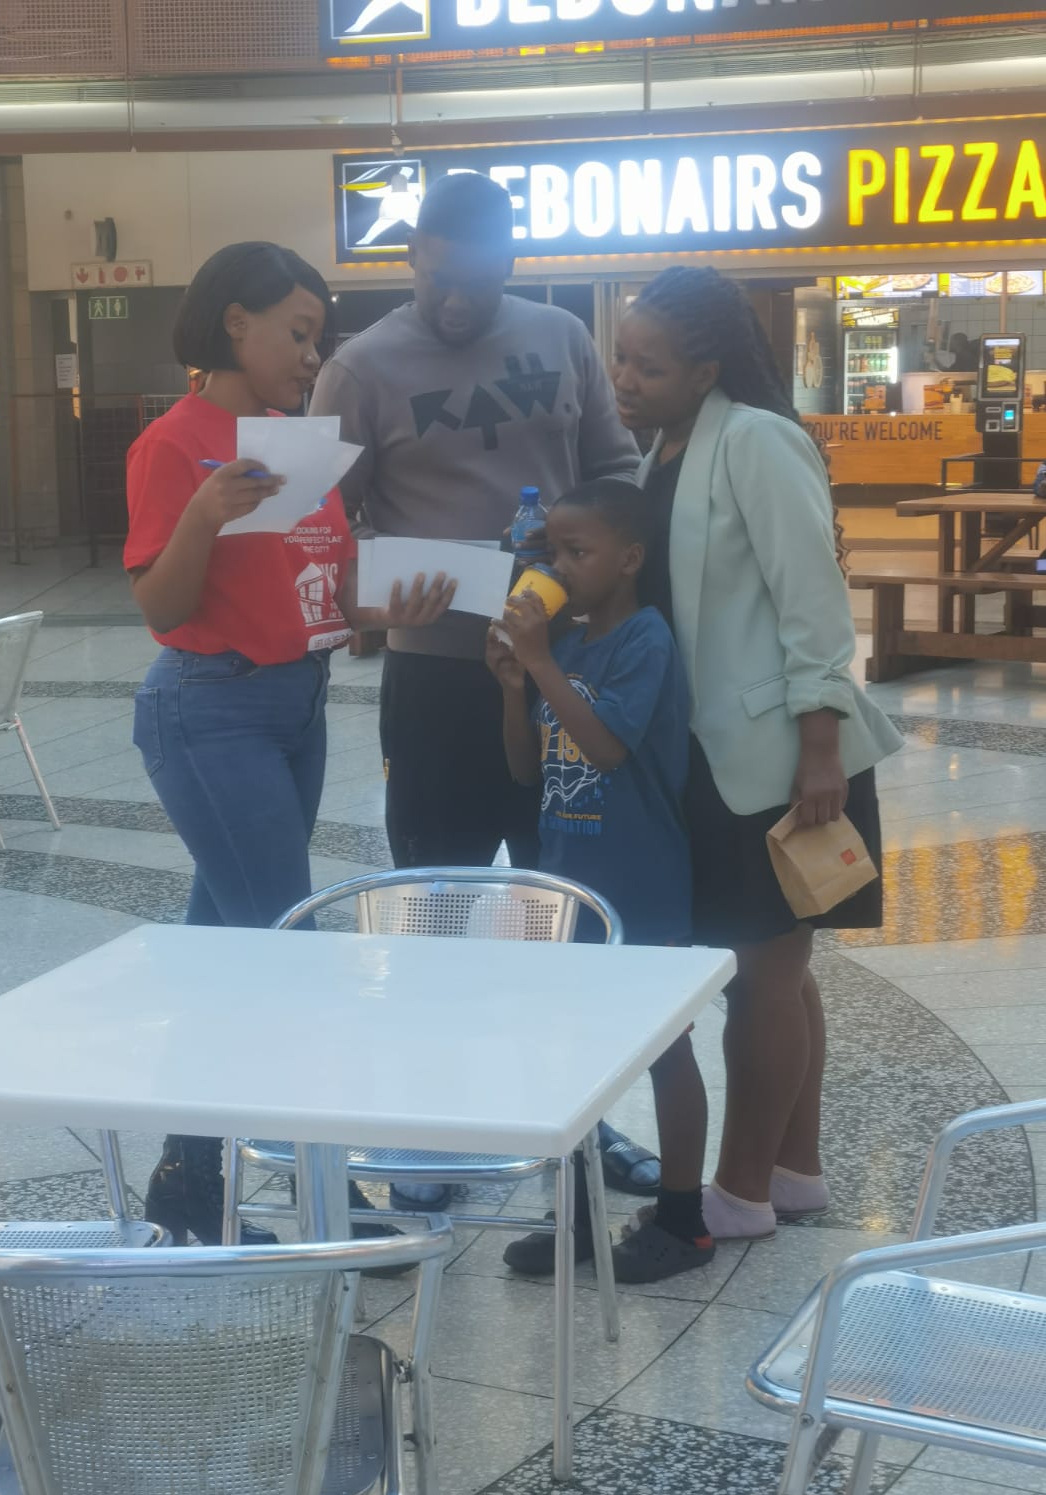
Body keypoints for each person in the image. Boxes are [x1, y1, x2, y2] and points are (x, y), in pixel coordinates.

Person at [310, 171, 660, 1203]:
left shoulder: (562, 337)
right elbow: (318, 526)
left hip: (565, 670)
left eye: (480, 281)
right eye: (439, 280)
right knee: (437, 910)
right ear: (412, 256)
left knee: (575, 908)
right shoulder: (362, 367)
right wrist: (376, 592)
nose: (457, 301)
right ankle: (433, 1140)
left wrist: (584, 553)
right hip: (439, 678)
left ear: (513, 262)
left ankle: (586, 1128)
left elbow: (618, 476)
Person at [124, 240, 450, 1249]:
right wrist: (203, 515)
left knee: (229, 955)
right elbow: (162, 607)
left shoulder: (301, 447)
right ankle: (327, 1196)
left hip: (295, 709)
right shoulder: (175, 444)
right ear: (236, 323)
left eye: (320, 339)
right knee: (291, 954)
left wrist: (390, 605)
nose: (314, 357)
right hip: (210, 710)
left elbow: (328, 594)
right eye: (300, 335)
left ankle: (188, 1175)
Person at [610, 266, 902, 1246]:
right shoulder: (667, 445)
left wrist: (821, 748)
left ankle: (737, 1195)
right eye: (620, 358)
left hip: (780, 754)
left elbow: (813, 599)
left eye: (648, 365)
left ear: (706, 369)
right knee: (781, 968)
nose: (626, 379)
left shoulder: (758, 439)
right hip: (717, 753)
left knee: (762, 975)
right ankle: (794, 1171)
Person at [487, 480, 714, 1283]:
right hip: (568, 888)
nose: (559, 567)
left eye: (577, 552)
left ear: (630, 559)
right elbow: (527, 770)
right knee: (570, 1049)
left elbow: (608, 749)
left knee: (666, 1050)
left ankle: (683, 1221)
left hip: (641, 883)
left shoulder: (645, 640)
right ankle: (576, 1217)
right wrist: (515, 686)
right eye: (551, 552)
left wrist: (540, 661)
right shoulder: (571, 645)